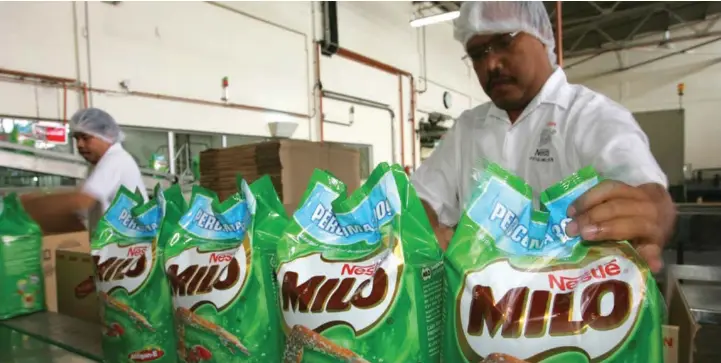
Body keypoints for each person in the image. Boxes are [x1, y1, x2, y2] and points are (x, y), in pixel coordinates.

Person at [411, 1, 676, 273]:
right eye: (478, 54)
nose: (491, 63)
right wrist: (426, 230)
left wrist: (650, 216)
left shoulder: (589, 116)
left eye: (505, 42)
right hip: (478, 307)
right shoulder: (468, 129)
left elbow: (645, 192)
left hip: (570, 305)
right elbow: (419, 198)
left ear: (540, 35)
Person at [22, 108, 147, 232]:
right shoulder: (98, 164)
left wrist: (31, 204)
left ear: (106, 136)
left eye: (85, 138)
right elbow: (82, 208)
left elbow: (81, 200)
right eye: (76, 138)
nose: (79, 145)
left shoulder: (115, 159)